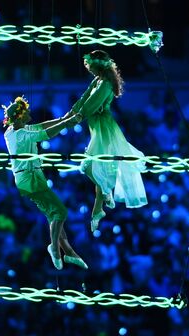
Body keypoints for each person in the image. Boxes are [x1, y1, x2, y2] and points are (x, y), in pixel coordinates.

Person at [3, 96, 87, 270]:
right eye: (26, 111)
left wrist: (64, 119)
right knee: (60, 213)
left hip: (27, 179)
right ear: (19, 117)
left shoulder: (12, 131)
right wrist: (67, 122)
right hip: (30, 178)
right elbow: (45, 134)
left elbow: (41, 127)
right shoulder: (22, 135)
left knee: (52, 214)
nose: (30, 112)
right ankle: (54, 249)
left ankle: (69, 252)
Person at [68, 50, 148, 232]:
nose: (88, 68)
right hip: (97, 127)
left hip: (104, 128)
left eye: (90, 65)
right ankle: (100, 204)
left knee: (91, 165)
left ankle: (104, 194)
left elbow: (90, 105)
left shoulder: (105, 84)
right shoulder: (98, 80)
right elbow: (84, 98)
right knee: (96, 166)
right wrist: (72, 113)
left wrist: (76, 118)